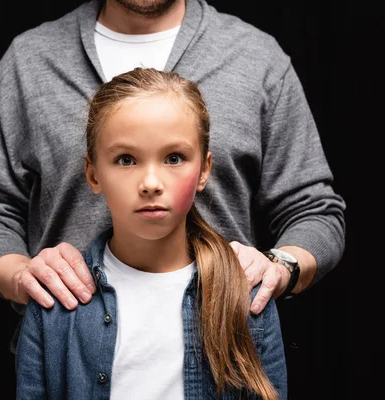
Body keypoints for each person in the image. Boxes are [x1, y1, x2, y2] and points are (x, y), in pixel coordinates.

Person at [0, 0, 346, 350]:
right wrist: (18, 274)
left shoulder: (257, 58)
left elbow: (314, 210)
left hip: (223, 354)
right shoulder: (29, 61)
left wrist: (281, 267)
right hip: (71, 351)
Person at [15, 67, 287, 399]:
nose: (151, 184)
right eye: (126, 159)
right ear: (93, 173)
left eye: (174, 158)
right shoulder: (54, 302)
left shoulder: (246, 294)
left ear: (203, 170)